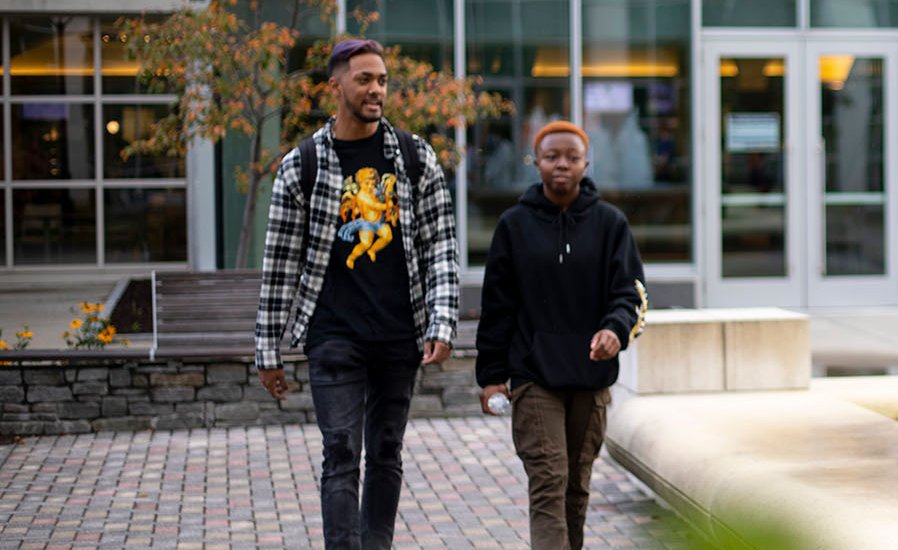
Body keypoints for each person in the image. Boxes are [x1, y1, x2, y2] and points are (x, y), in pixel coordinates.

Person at [253, 39, 460, 550]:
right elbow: (278, 264)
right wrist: (267, 349)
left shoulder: (414, 158)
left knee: (387, 451)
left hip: (399, 332)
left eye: (382, 80)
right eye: (365, 79)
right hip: (334, 335)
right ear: (336, 86)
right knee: (341, 453)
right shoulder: (302, 165)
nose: (376, 90)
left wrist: (442, 322)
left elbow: (442, 249)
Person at [477, 121, 647, 550]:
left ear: (586, 163)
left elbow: (629, 293)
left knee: (576, 484)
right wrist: (491, 375)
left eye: (572, 157)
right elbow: (498, 306)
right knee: (549, 478)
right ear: (536, 162)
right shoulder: (514, 226)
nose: (562, 165)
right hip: (535, 375)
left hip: (591, 376)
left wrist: (615, 329)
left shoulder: (611, 224)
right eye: (552, 156)